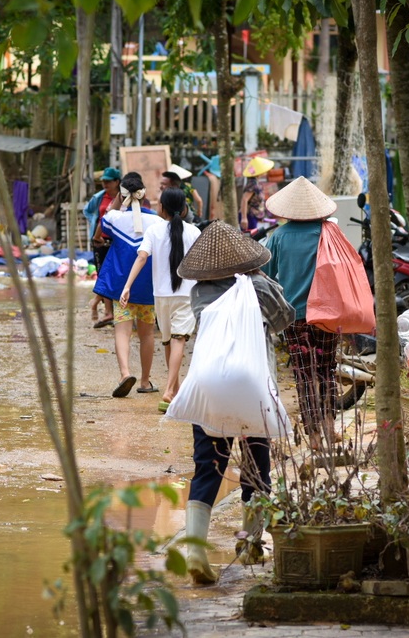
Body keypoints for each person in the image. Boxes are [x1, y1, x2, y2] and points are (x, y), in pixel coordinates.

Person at [175, 220, 294, 584]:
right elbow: (285, 318)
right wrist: (265, 284)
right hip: (252, 384)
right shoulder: (259, 286)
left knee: (207, 467)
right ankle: (251, 544)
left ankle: (195, 550)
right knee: (258, 467)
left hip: (208, 385)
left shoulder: (198, 293)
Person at [261, 176, 338, 449]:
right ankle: (330, 428)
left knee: (304, 374)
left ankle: (314, 435)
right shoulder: (328, 233)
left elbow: (266, 276)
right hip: (328, 315)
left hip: (294, 317)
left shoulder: (278, 237)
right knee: (328, 370)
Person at [119, 187, 201, 411]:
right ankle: (169, 389)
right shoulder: (193, 232)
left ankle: (174, 389)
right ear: (184, 209)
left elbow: (142, 257)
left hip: (161, 296)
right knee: (178, 341)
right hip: (186, 294)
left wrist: (127, 286)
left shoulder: (154, 231)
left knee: (169, 341)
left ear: (162, 208)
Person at [92, 172, 162, 397]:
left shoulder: (114, 218)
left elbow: (103, 230)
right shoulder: (158, 222)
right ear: (144, 195)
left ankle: (124, 374)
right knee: (147, 334)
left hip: (122, 287)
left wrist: (117, 203)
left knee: (122, 332)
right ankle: (144, 381)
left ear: (122, 195)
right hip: (148, 288)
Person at [83, 167, 121, 328]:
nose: (104, 183)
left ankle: (99, 305)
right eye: (103, 181)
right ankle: (107, 311)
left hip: (118, 241)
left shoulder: (123, 198)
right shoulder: (99, 197)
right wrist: (95, 222)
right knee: (104, 275)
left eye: (108, 181)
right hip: (100, 241)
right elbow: (87, 211)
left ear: (117, 182)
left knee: (117, 275)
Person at [239, 156, 274, 232]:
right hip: (249, 216)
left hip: (254, 216)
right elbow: (244, 200)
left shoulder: (255, 182)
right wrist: (244, 218)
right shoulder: (253, 184)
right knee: (250, 240)